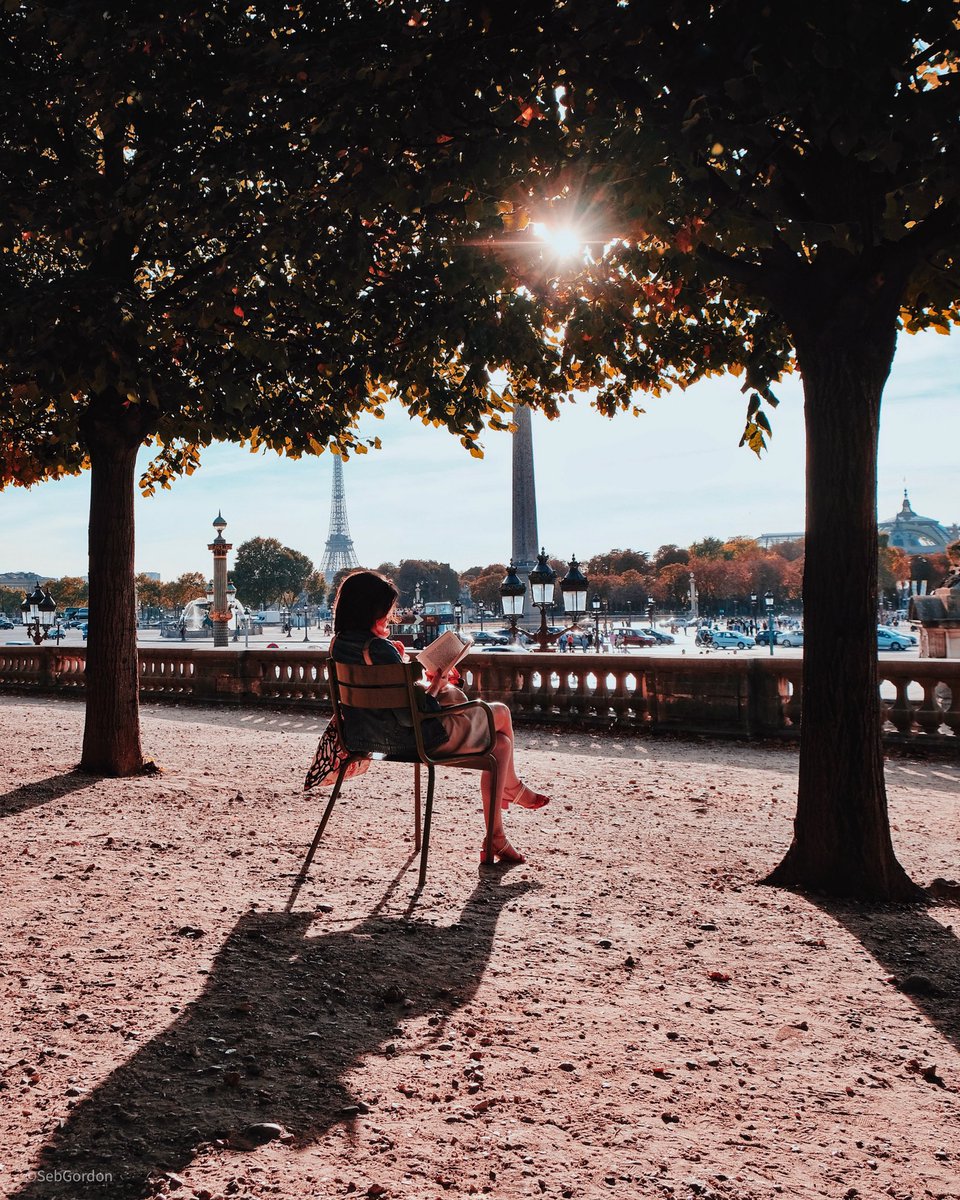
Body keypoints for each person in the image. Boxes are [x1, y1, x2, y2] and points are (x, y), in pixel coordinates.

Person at [331, 570, 549, 864]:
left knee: (500, 747)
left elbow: (390, 700)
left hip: (364, 737)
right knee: (499, 712)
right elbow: (411, 716)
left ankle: (495, 837)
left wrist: (411, 672)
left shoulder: (340, 644)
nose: (389, 616)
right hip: (413, 739)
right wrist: (439, 679)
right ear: (371, 610)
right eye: (386, 611)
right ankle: (511, 789)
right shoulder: (378, 648)